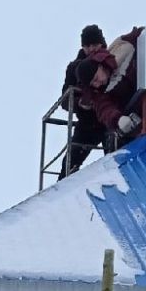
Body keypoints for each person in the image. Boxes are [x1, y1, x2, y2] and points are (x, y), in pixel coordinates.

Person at [76, 26, 144, 143]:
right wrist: (118, 120)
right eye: (93, 83)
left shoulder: (122, 47)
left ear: (100, 66)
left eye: (96, 78)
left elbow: (141, 34)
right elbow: (104, 109)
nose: (97, 84)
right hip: (140, 111)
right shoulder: (99, 93)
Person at [59, 24, 110, 177]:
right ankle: (60, 196)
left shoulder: (111, 61)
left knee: (115, 160)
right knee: (69, 164)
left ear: (101, 43)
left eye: (94, 44)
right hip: (87, 123)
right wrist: (78, 104)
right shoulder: (74, 68)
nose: (91, 49)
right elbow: (64, 101)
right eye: (87, 45)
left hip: (108, 120)